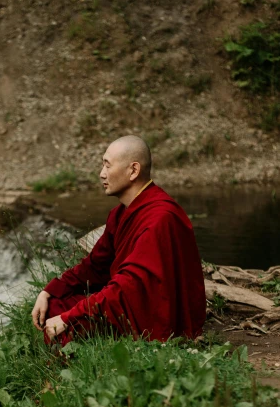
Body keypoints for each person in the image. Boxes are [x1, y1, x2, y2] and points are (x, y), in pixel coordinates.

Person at [31, 135, 206, 346]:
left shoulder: (161, 217)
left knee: (69, 323)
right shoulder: (120, 214)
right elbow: (95, 267)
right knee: (55, 305)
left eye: (107, 165)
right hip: (128, 296)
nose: (101, 174)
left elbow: (129, 286)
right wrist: (49, 290)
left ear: (133, 170)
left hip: (154, 310)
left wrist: (70, 317)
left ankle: (79, 372)